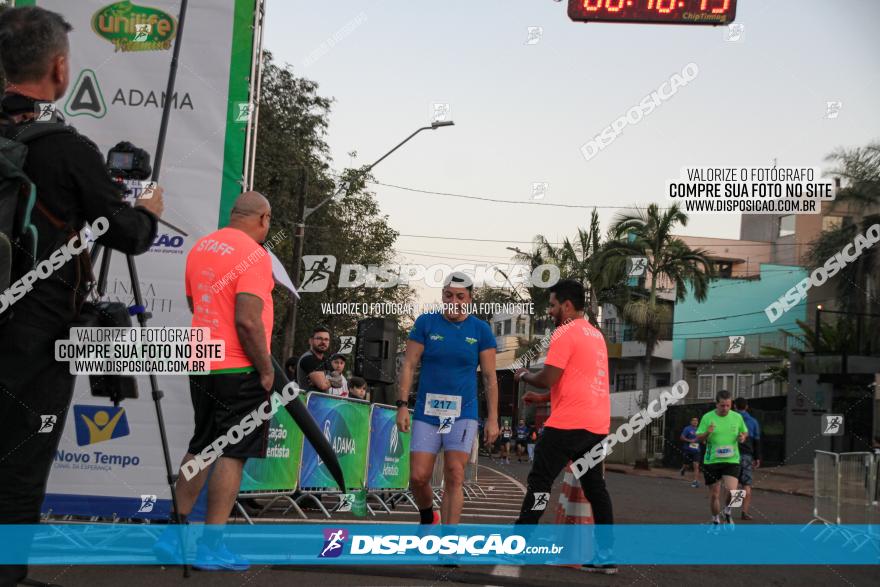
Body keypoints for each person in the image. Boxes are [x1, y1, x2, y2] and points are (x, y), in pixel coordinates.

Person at [0, 7, 164, 586]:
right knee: (18, 467)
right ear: (60, 67)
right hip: (35, 337)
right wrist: (146, 210)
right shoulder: (66, 149)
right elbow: (128, 235)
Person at [153, 192, 275, 571]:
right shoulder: (255, 254)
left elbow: (195, 304)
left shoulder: (202, 247)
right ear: (263, 219)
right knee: (232, 453)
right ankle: (212, 545)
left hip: (203, 360)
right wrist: (266, 368)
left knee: (201, 446)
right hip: (240, 368)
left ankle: (173, 536)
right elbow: (247, 320)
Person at [513, 279, 615, 574]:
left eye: (554, 304)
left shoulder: (564, 332)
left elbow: (547, 376)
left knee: (540, 483)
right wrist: (545, 397)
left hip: (568, 424)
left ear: (567, 306)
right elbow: (575, 382)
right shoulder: (595, 336)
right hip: (596, 425)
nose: (551, 310)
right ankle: (606, 556)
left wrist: (524, 375)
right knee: (596, 488)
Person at [396, 272, 499, 525]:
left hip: (463, 413)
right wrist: (402, 406)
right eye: (449, 295)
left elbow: (489, 377)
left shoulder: (480, 330)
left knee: (454, 474)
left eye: (460, 296)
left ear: (470, 299)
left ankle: (448, 543)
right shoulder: (426, 323)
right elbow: (409, 365)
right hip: (427, 413)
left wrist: (493, 418)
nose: (454, 301)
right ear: (443, 296)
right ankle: (428, 514)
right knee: (419, 477)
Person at [696, 389, 748, 525]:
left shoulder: (737, 417)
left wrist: (742, 437)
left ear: (731, 404)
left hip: (731, 460)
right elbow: (698, 437)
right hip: (712, 461)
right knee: (715, 494)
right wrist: (707, 432)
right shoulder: (707, 417)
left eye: (728, 405)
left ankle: (728, 511)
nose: (725, 408)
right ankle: (715, 519)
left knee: (734, 492)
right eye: (722, 405)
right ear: (716, 404)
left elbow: (744, 433)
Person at [287, 326, 341, 394]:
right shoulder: (308, 359)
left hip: (321, 402)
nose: (323, 342)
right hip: (308, 402)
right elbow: (323, 386)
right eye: (319, 338)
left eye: (326, 339)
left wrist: (326, 380)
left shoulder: (325, 360)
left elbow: (340, 381)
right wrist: (331, 381)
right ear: (311, 341)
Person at [734, 397, 761, 520]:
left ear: (734, 406)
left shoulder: (731, 419)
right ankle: (744, 512)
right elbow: (756, 441)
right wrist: (757, 457)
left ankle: (730, 511)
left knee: (732, 483)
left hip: (732, 455)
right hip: (747, 455)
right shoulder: (753, 422)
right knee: (746, 484)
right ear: (746, 407)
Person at [679, 417, 701, 488]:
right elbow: (681, 437)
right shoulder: (687, 429)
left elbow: (702, 438)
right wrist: (689, 441)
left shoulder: (700, 429)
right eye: (693, 420)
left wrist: (703, 441)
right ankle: (683, 469)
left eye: (696, 421)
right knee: (686, 465)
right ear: (691, 422)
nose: (695, 422)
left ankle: (695, 481)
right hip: (687, 450)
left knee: (696, 465)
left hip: (696, 451)